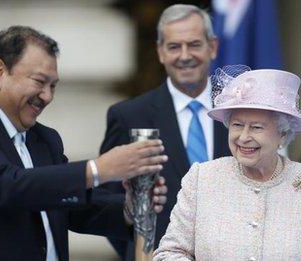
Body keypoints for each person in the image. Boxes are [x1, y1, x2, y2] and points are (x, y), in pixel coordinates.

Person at [0, 25, 169, 261]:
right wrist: (98, 169)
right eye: (39, 81)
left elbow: (69, 204)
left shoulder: (45, 140)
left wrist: (128, 209)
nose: (47, 96)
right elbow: (4, 187)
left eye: (53, 86)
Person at [153, 66, 301, 260]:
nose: (244, 137)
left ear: (282, 134)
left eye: (256, 127)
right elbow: (169, 253)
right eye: (237, 125)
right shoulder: (202, 179)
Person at [95, 4, 231, 260]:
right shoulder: (128, 116)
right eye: (174, 46)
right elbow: (109, 206)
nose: (184, 55)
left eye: (194, 44)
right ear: (160, 52)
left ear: (212, 47)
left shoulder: (238, 112)